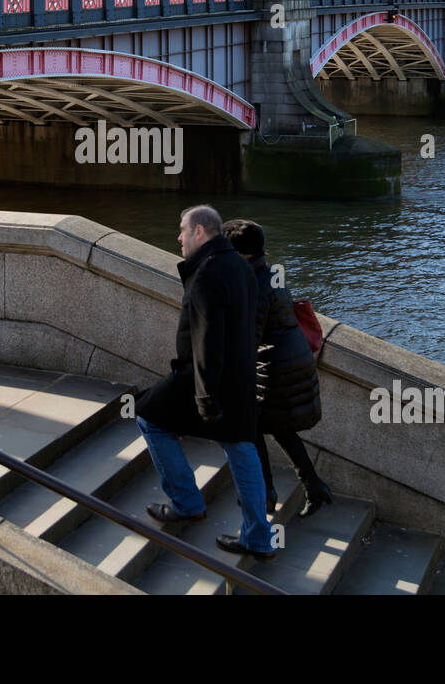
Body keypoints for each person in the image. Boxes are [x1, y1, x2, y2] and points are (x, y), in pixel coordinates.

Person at [134, 204, 276, 561]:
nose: (178, 237)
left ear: (201, 232)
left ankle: (186, 502)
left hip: (203, 377)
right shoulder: (242, 267)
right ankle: (259, 539)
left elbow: (206, 339)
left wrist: (206, 397)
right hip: (241, 375)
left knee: (148, 416)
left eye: (183, 229)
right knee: (242, 448)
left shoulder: (207, 272)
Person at [222, 218, 334, 518]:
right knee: (280, 427)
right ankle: (314, 486)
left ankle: (267, 494)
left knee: (251, 426)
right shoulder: (270, 273)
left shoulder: (253, 285)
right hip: (292, 359)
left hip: (274, 368)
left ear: (240, 253)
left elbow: (250, 337)